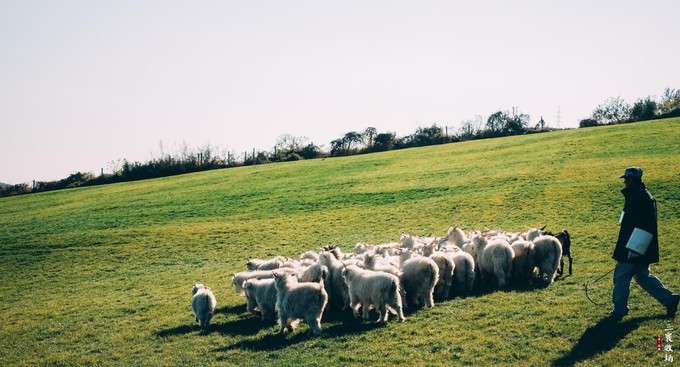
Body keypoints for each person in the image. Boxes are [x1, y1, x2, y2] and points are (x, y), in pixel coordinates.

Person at [609, 166, 679, 321]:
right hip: (639, 246)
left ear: (631, 179)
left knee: (621, 276)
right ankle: (670, 299)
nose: (624, 182)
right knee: (642, 276)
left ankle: (619, 310)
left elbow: (642, 225)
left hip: (633, 246)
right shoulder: (640, 195)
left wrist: (634, 249)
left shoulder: (639, 198)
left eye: (626, 179)